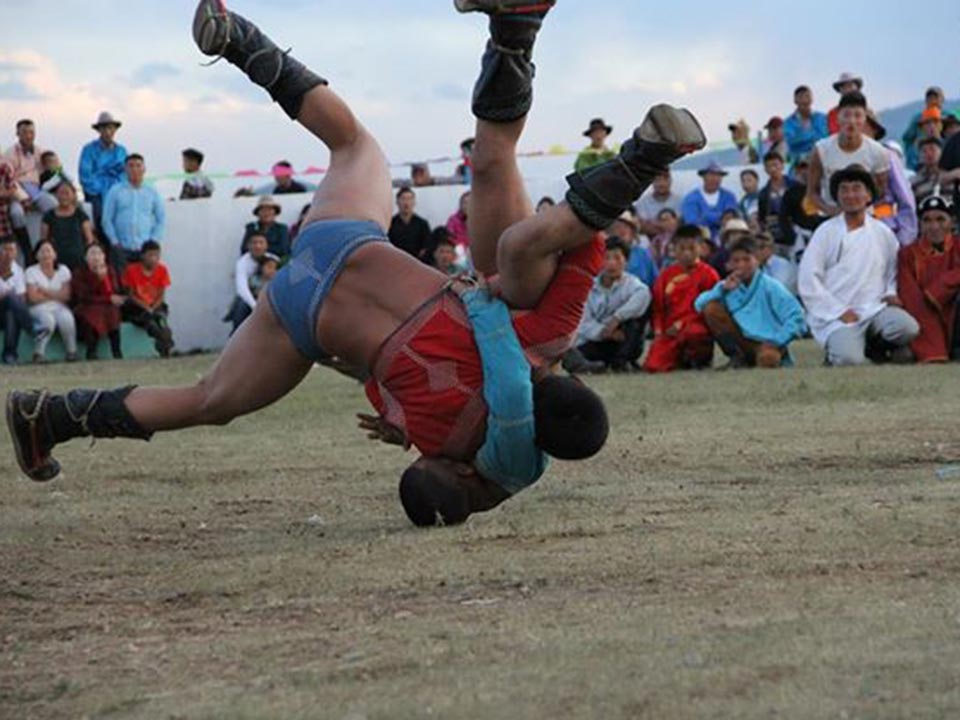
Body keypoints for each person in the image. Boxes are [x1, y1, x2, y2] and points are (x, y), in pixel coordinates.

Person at [7, 0, 707, 528]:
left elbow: (533, 297)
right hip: (301, 310)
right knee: (205, 401)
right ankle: (55, 416)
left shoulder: (530, 340)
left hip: (351, 241)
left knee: (355, 146)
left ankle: (243, 41)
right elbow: (457, 452)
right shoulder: (448, 434)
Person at [798, 165, 919, 366]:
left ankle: (875, 347)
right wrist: (838, 311)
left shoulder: (882, 232)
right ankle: (838, 352)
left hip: (874, 308)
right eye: (844, 190)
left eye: (856, 189)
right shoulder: (825, 232)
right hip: (838, 315)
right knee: (849, 360)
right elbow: (808, 279)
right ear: (837, 196)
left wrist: (890, 291)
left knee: (908, 328)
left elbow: (892, 270)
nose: (850, 195)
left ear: (868, 195)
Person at [695, 235, 806, 369]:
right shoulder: (728, 285)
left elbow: (797, 317)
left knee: (768, 359)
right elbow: (699, 305)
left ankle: (760, 358)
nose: (741, 265)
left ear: (757, 260)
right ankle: (737, 357)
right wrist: (721, 290)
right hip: (742, 341)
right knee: (711, 308)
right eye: (736, 260)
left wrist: (778, 340)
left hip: (768, 342)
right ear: (729, 264)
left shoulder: (771, 286)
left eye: (747, 259)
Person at [566, 236, 651, 373]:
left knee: (636, 319)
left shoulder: (632, 284)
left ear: (626, 261)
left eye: (617, 258)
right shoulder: (588, 286)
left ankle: (621, 361)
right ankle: (599, 364)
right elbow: (583, 322)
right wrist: (605, 332)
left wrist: (617, 318)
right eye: (606, 258)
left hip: (623, 338)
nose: (612, 263)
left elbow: (643, 295)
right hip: (598, 339)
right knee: (578, 351)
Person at [644, 224, 719, 373]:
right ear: (674, 249)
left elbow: (710, 308)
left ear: (701, 248)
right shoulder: (665, 275)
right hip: (669, 331)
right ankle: (677, 359)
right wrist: (658, 330)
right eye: (681, 248)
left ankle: (698, 361)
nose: (686, 253)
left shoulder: (709, 274)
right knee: (653, 366)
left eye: (691, 248)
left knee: (694, 334)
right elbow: (658, 307)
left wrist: (683, 323)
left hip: (695, 327)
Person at [896, 196, 960, 362]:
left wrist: (940, 288)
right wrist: (934, 351)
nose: (934, 226)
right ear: (919, 224)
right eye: (927, 220)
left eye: (940, 219)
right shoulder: (908, 255)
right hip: (925, 322)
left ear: (952, 222)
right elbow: (913, 300)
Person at [807, 91, 890, 218]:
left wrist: (858, 207)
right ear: (838, 118)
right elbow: (812, 192)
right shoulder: (821, 150)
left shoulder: (878, 152)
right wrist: (829, 210)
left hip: (865, 218)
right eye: (846, 115)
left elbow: (881, 191)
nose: (851, 121)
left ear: (864, 119)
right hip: (831, 217)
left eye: (857, 116)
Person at [5, 120, 58, 263]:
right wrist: (22, 198)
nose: (29, 136)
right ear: (18, 134)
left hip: (35, 188)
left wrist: (54, 169)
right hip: (17, 188)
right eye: (25, 132)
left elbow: (54, 169)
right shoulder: (10, 153)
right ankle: (27, 251)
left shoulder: (39, 151)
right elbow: (9, 179)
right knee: (16, 213)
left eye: (31, 132)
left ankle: (49, 243)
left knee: (53, 205)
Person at [102, 154, 167, 270]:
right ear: (125, 169)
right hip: (121, 249)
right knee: (122, 285)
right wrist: (115, 241)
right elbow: (107, 219)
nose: (135, 169)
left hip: (145, 250)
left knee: (145, 285)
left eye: (138, 165)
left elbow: (161, 219)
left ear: (144, 169)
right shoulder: (115, 191)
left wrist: (153, 241)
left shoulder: (152, 192)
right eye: (131, 166)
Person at [863, 111, 917, 247]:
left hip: (886, 229)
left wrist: (903, 239)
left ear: (873, 130)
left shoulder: (887, 156)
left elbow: (906, 201)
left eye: (863, 123)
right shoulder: (845, 160)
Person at [25, 240, 77, 363]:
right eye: (42, 251)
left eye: (49, 250)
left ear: (55, 254)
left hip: (60, 306)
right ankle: (38, 353)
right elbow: (33, 298)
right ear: (36, 255)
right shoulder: (30, 271)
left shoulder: (63, 270)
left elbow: (66, 296)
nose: (46, 254)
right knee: (48, 320)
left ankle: (72, 352)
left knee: (67, 318)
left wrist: (44, 291)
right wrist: (56, 295)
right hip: (38, 307)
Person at [121, 240, 175, 357]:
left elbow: (161, 295)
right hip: (137, 306)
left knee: (161, 319)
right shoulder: (131, 270)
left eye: (156, 255)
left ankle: (164, 342)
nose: (154, 259)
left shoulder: (162, 270)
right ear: (142, 256)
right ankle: (165, 343)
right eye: (150, 255)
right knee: (149, 322)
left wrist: (153, 307)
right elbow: (130, 296)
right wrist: (145, 307)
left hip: (155, 305)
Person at [70, 243, 124, 360]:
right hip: (86, 305)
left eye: (99, 253)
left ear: (104, 257)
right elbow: (83, 296)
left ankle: (117, 351)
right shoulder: (79, 272)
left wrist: (104, 278)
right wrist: (97, 279)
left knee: (113, 312)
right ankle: (92, 351)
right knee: (91, 315)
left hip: (106, 305)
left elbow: (114, 290)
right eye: (92, 253)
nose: (96, 257)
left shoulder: (109, 270)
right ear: (86, 258)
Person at [78, 112, 127, 229]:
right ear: (99, 130)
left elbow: (125, 173)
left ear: (115, 130)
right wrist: (101, 188)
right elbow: (85, 176)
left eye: (110, 128)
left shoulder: (121, 151)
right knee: (100, 215)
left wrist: (115, 187)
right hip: (96, 192)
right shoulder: (88, 150)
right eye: (104, 128)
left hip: (117, 189)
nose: (108, 132)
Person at [40, 180, 97, 271]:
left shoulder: (80, 214)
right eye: (61, 193)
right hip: (57, 264)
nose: (64, 197)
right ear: (56, 195)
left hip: (79, 262)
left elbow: (89, 239)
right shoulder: (49, 216)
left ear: (74, 195)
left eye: (67, 193)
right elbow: (44, 241)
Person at [681, 162, 739, 241]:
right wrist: (718, 219)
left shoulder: (729, 196)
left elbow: (730, 220)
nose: (715, 179)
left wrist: (705, 217)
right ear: (703, 177)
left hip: (725, 240)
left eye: (718, 175)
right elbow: (692, 223)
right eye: (711, 175)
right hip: (699, 241)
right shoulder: (690, 198)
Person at [226, 233, 269, 333]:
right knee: (241, 307)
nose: (258, 246)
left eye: (261, 243)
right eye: (254, 243)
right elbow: (242, 289)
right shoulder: (242, 263)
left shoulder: (273, 259)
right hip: (249, 296)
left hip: (267, 295)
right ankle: (236, 338)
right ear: (248, 246)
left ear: (266, 245)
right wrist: (255, 306)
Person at [0, 236, 31, 365]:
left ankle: (9, 354)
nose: (8, 254)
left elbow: (22, 297)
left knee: (11, 313)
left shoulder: (17, 270)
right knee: (10, 297)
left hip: (6, 312)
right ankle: (31, 325)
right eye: (5, 250)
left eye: (12, 250)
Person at [902, 87, 946, 172]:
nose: (933, 100)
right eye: (929, 98)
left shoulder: (948, 117)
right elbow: (907, 138)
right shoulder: (917, 117)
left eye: (935, 97)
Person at [757, 152, 795, 246]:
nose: (773, 169)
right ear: (765, 169)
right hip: (776, 236)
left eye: (775, 165)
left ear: (782, 165)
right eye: (769, 166)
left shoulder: (795, 186)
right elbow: (762, 218)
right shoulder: (763, 193)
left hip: (796, 230)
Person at [784, 85, 828, 165]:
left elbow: (825, 137)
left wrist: (803, 135)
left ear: (812, 99)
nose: (804, 100)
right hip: (799, 165)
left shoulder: (822, 117)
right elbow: (791, 141)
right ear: (795, 100)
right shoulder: (788, 122)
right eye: (801, 97)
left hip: (822, 161)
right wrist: (813, 134)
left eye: (807, 96)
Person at [388, 187, 431, 261]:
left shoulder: (422, 224)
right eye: (403, 199)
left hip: (417, 262)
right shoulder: (390, 223)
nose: (406, 202)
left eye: (410, 199)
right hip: (396, 261)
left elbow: (426, 247)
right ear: (397, 202)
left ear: (414, 202)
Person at [635, 169, 681, 237]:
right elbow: (641, 227)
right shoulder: (642, 202)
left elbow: (680, 224)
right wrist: (666, 227)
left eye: (665, 179)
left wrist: (653, 224)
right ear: (652, 182)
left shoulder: (680, 201)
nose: (661, 183)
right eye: (657, 180)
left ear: (670, 181)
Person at [911, 138, 945, 205]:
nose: (928, 153)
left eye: (932, 149)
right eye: (924, 151)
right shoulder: (913, 181)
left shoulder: (953, 175)